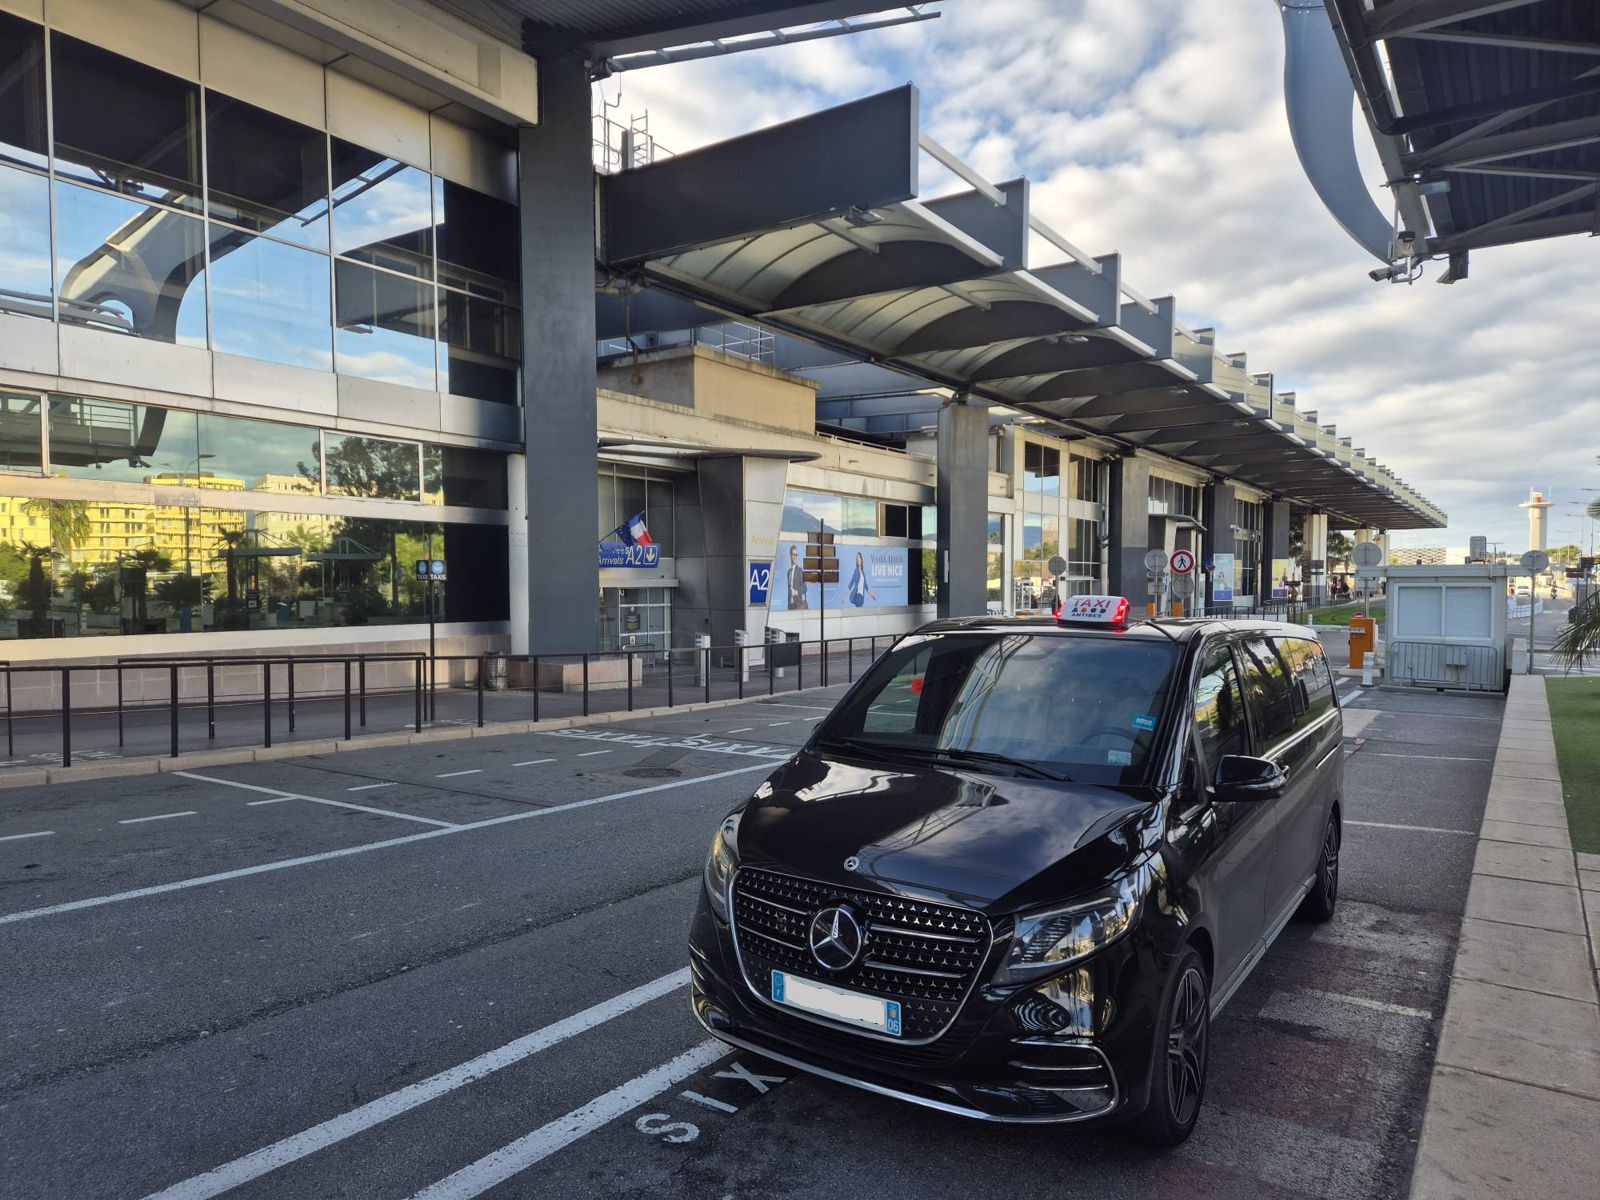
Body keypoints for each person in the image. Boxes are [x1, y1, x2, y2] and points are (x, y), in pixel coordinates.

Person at [785, 544, 808, 610]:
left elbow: (805, 588)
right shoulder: (788, 572)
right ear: (790, 555)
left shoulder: (799, 570)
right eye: (793, 554)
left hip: (798, 605)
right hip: (790, 605)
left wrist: (796, 592)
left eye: (796, 555)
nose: (795, 557)